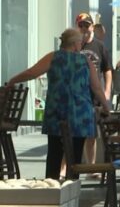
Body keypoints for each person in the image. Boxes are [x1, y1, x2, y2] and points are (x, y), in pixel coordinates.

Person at [5, 28, 109, 179]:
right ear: (74, 44)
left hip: (57, 112)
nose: (81, 45)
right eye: (80, 42)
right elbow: (97, 88)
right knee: (75, 158)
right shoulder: (85, 61)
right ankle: (71, 190)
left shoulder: (53, 57)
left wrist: (13, 80)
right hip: (80, 116)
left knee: (54, 154)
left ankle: (52, 189)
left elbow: (32, 73)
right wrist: (107, 107)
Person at [77, 13, 112, 164]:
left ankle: (91, 166)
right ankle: (67, 167)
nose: (84, 28)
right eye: (81, 25)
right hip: (77, 95)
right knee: (73, 133)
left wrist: (107, 90)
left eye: (87, 25)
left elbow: (107, 69)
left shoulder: (99, 46)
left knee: (92, 134)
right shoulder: (75, 45)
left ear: (92, 26)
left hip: (94, 96)